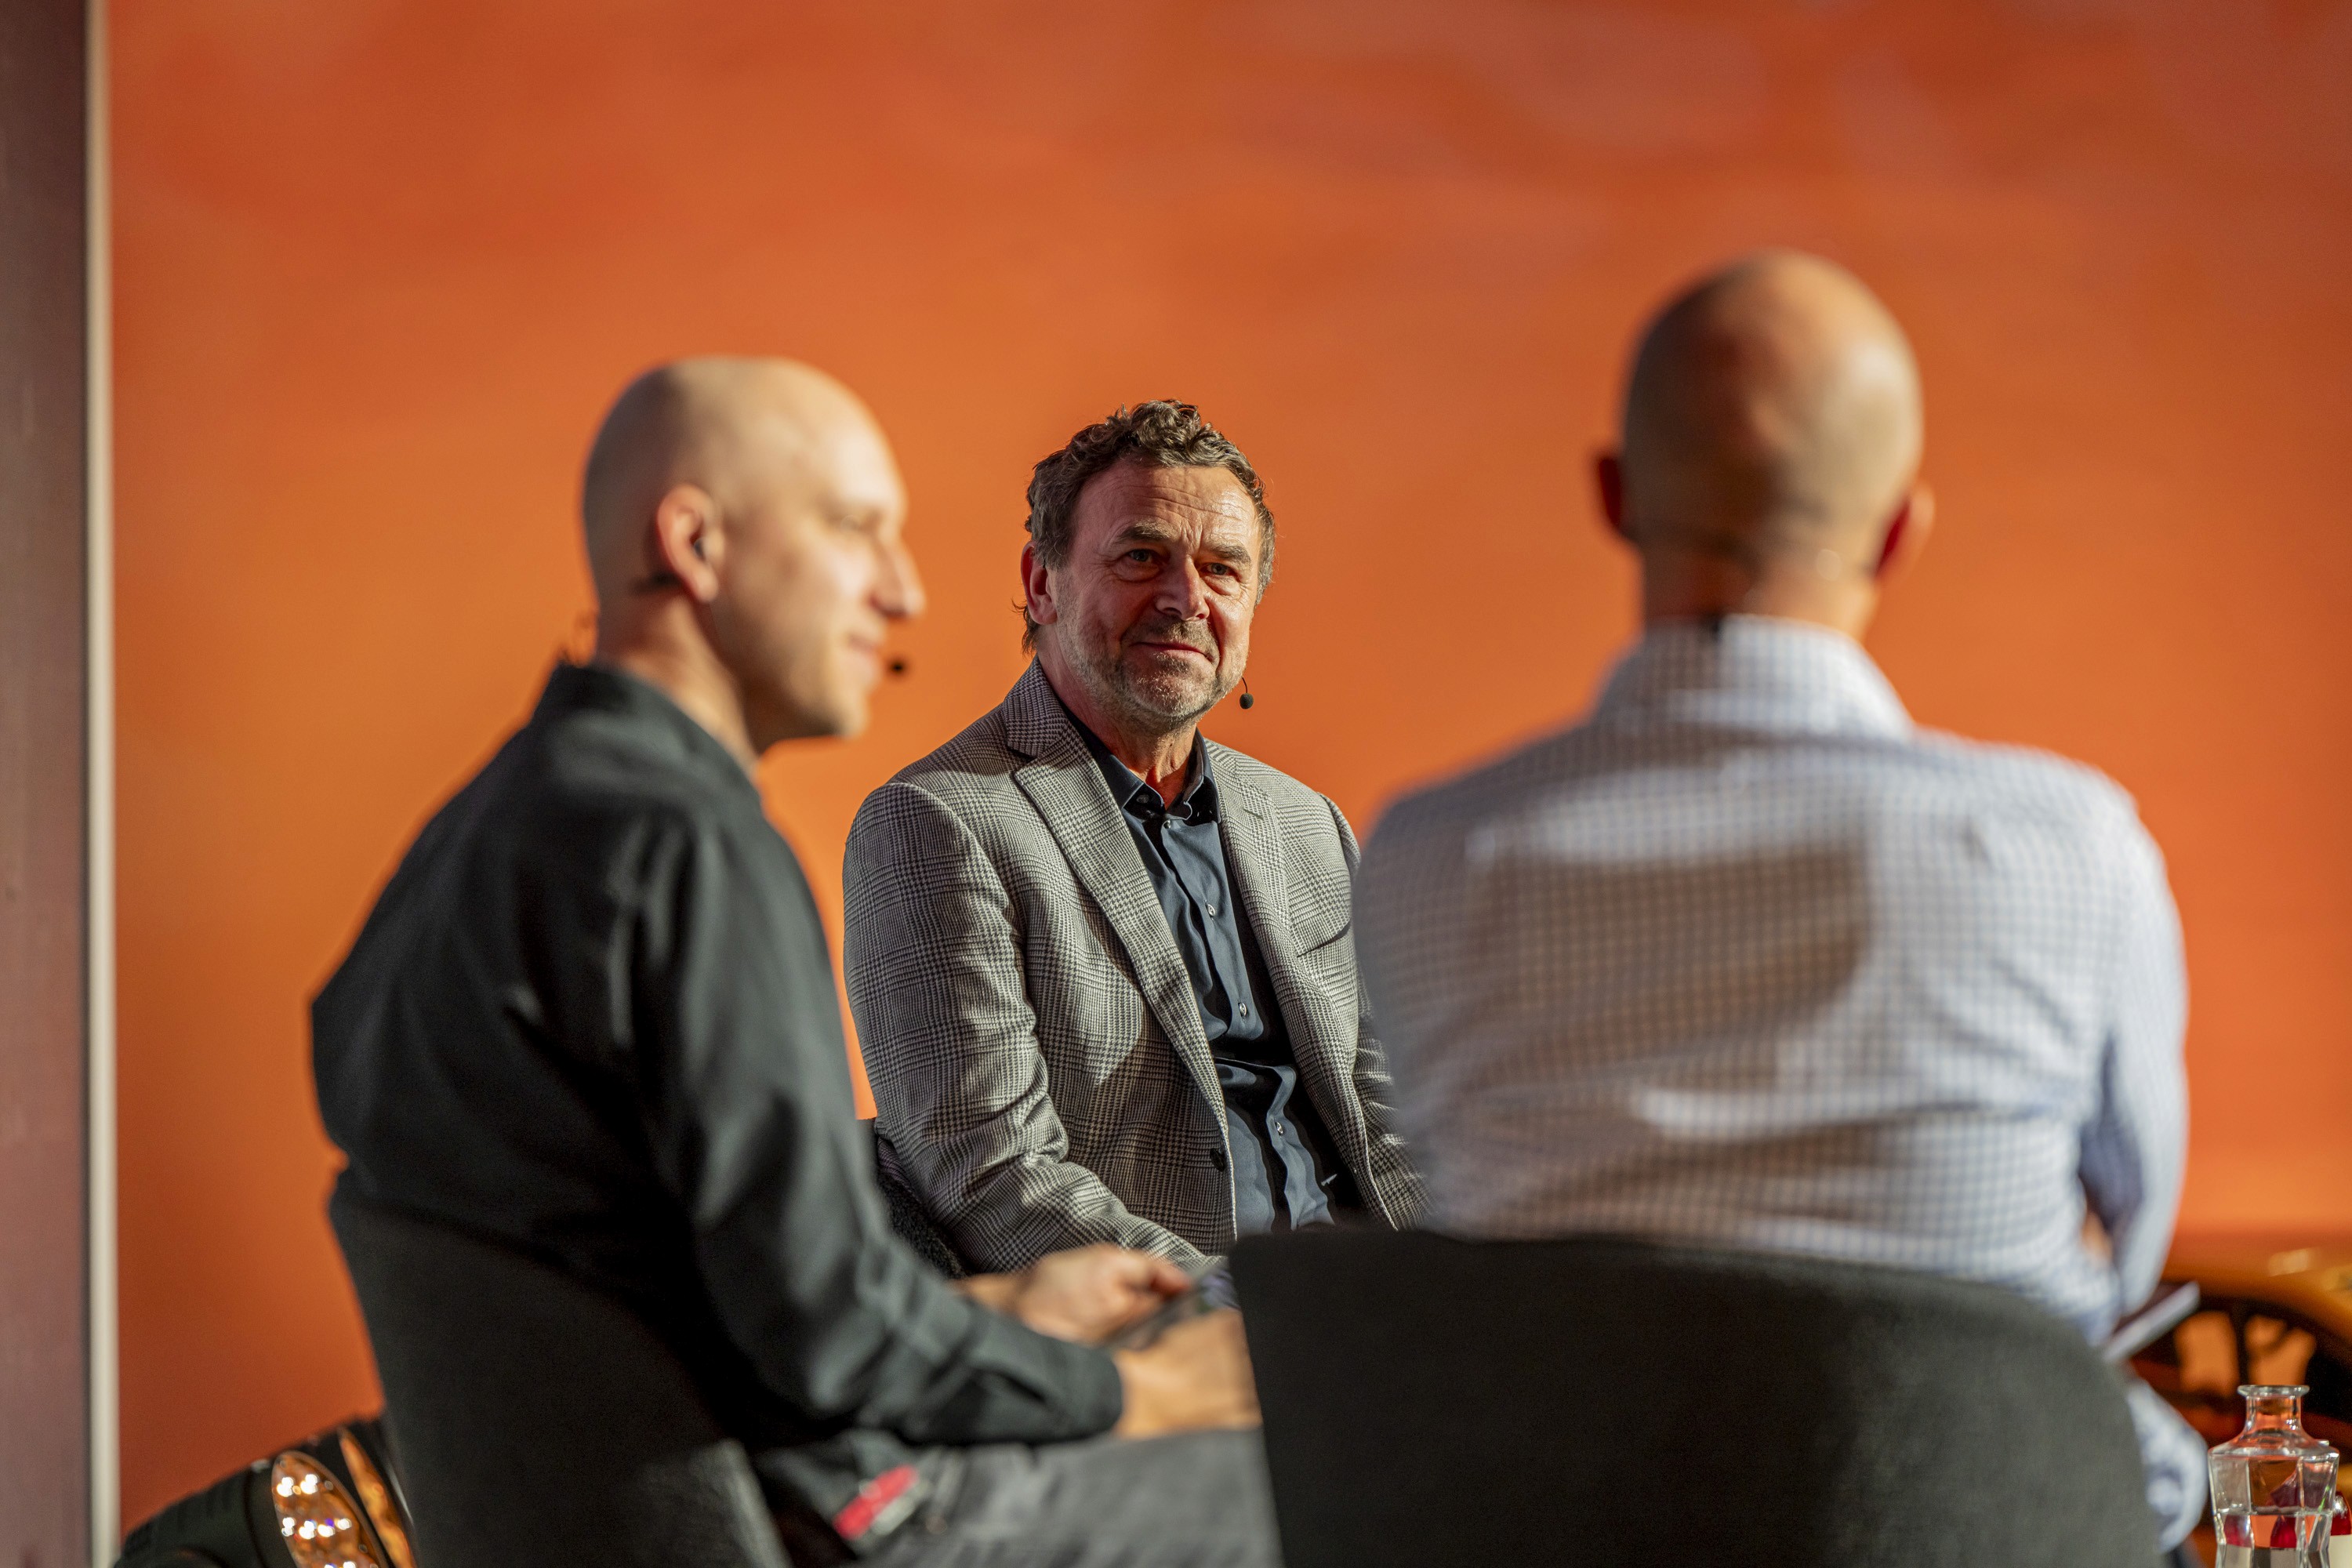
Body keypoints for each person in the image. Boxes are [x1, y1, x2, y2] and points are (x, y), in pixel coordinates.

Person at [312, 359, 1278, 1567]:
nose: (903, 590)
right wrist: (1135, 1393)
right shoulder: (689, 848)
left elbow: (716, 1290)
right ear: (696, 545)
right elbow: (825, 1341)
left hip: (680, 1506)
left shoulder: (485, 836)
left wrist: (1011, 1310)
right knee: (1364, 1477)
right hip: (851, 1522)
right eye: (855, 528)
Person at [1353, 252, 2204, 1553]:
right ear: (1900, 531)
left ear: (1614, 497)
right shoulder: (2070, 849)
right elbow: (2133, 1249)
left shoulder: (1421, 855)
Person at [843, 401, 1424, 1272]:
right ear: (1043, 583)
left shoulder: (1310, 823)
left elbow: (1388, 1121)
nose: (1187, 598)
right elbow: (993, 1179)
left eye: (1223, 569)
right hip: (1176, 1325)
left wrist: (1467, 1289)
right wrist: (1247, 1318)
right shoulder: (937, 823)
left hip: (1376, 1303)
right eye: (1142, 557)